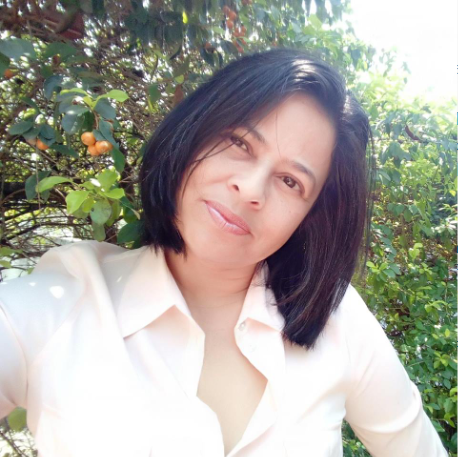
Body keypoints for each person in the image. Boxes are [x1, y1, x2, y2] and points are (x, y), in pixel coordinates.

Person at [0, 48, 448, 457]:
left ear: (310, 216)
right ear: (194, 131)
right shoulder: (58, 309)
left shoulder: (338, 319)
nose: (250, 189)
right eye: (239, 143)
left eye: (291, 181)